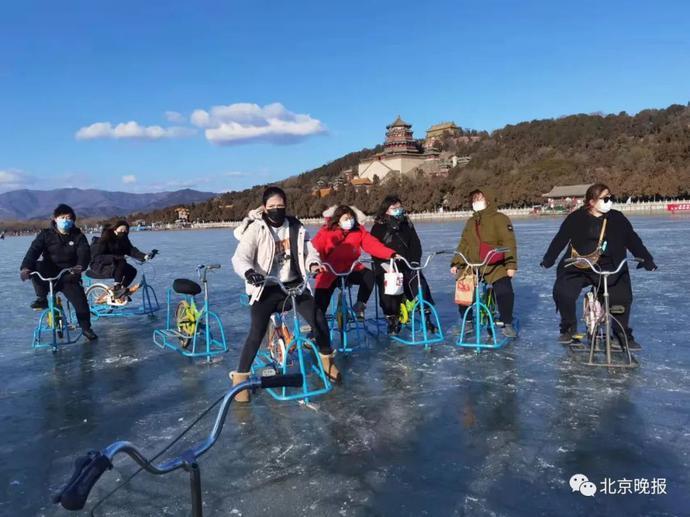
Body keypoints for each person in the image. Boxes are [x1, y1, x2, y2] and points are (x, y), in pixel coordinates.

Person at [230, 186, 339, 402]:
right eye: (272, 206)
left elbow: (309, 252)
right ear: (264, 208)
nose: (277, 210)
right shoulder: (256, 229)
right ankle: (240, 379)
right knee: (257, 331)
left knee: (318, 318)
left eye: (281, 206)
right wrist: (250, 272)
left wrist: (314, 264)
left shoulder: (296, 226)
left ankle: (327, 361)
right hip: (267, 286)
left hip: (294, 285)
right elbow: (239, 258)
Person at [541, 183, 657, 347]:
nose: (609, 201)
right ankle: (568, 328)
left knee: (621, 297)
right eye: (605, 198)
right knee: (564, 292)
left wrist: (646, 258)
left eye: (611, 197)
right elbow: (560, 239)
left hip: (611, 265)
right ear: (592, 202)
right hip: (579, 265)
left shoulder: (617, 218)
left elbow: (632, 239)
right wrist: (549, 259)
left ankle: (620, 334)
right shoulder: (576, 218)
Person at [19, 204, 97, 340]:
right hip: (49, 272)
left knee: (80, 302)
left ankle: (86, 328)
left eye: (69, 218)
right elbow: (33, 251)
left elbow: (84, 253)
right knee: (36, 266)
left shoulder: (78, 236)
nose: (66, 220)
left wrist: (79, 266)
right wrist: (25, 268)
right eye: (62, 217)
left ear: (73, 220)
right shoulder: (45, 235)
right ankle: (42, 298)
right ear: (55, 219)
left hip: (69, 274)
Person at [449, 188, 518, 338]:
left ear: (488, 200)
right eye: (474, 200)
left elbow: (509, 242)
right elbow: (464, 244)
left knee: (504, 290)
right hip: (472, 264)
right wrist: (456, 263)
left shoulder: (500, 218)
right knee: (463, 289)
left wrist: (511, 265)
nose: (476, 202)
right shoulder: (470, 222)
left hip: (495, 264)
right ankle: (467, 321)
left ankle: (507, 322)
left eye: (479, 199)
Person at [312, 205, 396, 320]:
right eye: (346, 219)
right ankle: (316, 326)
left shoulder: (358, 231)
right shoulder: (326, 231)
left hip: (350, 269)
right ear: (338, 220)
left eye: (351, 218)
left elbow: (372, 244)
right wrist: (315, 264)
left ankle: (360, 305)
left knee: (369, 276)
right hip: (329, 271)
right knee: (320, 300)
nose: (349, 221)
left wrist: (390, 253)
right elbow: (315, 249)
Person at [370, 195, 437, 335]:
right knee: (389, 292)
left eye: (399, 207)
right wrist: (384, 264)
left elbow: (415, 244)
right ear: (386, 210)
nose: (398, 210)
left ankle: (426, 316)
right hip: (387, 266)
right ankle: (392, 319)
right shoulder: (378, 227)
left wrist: (414, 261)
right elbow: (374, 248)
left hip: (407, 264)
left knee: (420, 285)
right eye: (393, 208)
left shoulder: (407, 224)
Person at [89, 220, 153, 298]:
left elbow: (131, 250)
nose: (123, 232)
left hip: (115, 265)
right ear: (114, 229)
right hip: (99, 266)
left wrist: (144, 256)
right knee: (121, 261)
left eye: (125, 230)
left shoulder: (123, 240)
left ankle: (121, 290)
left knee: (132, 271)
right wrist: (116, 257)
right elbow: (97, 257)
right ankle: (117, 289)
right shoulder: (103, 240)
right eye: (121, 230)